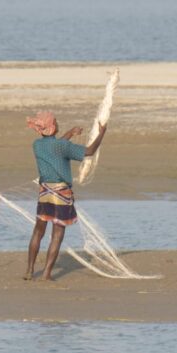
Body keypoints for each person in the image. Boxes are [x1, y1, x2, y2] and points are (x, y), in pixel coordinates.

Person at [24, 111, 107, 281]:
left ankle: (30, 270)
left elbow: (56, 147)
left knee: (38, 231)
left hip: (44, 192)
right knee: (57, 234)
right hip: (61, 193)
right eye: (56, 122)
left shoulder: (37, 145)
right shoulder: (63, 147)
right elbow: (89, 151)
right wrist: (102, 133)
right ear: (53, 128)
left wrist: (70, 133)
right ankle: (46, 274)